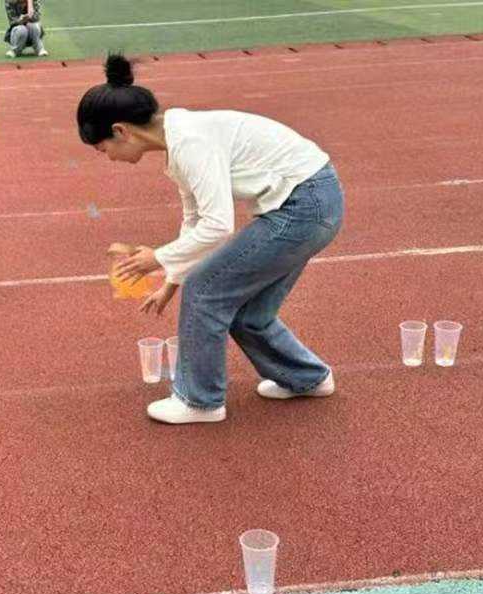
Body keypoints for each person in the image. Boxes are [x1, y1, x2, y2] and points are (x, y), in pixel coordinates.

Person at [77, 55, 345, 425]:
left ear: (120, 131)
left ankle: (200, 401)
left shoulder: (189, 142)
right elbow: (195, 221)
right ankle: (307, 378)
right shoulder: (178, 141)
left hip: (306, 204)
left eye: (103, 149)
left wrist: (157, 258)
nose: (108, 158)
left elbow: (218, 226)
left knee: (206, 291)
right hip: (313, 200)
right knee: (248, 312)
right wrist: (172, 280)